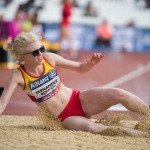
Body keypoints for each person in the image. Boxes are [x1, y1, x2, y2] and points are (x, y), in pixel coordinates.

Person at [0, 32, 149, 137]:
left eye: (41, 49)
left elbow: (81, 68)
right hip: (65, 117)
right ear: (21, 56)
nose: (40, 54)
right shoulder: (18, 76)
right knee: (92, 127)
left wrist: (90, 63)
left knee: (119, 94)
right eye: (35, 52)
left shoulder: (49, 58)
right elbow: (2, 103)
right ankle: (143, 135)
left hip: (79, 99)